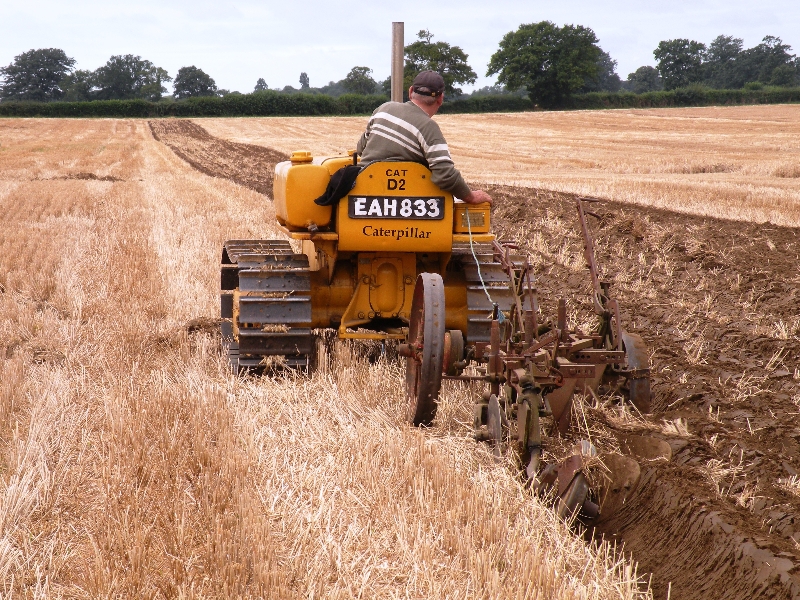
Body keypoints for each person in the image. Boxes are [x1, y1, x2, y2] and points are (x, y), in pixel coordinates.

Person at [356, 70, 492, 205]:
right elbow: (445, 174)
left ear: (410, 92)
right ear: (440, 99)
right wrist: (470, 197)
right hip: (408, 203)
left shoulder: (383, 109)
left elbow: (361, 148)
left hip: (361, 195)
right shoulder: (429, 128)